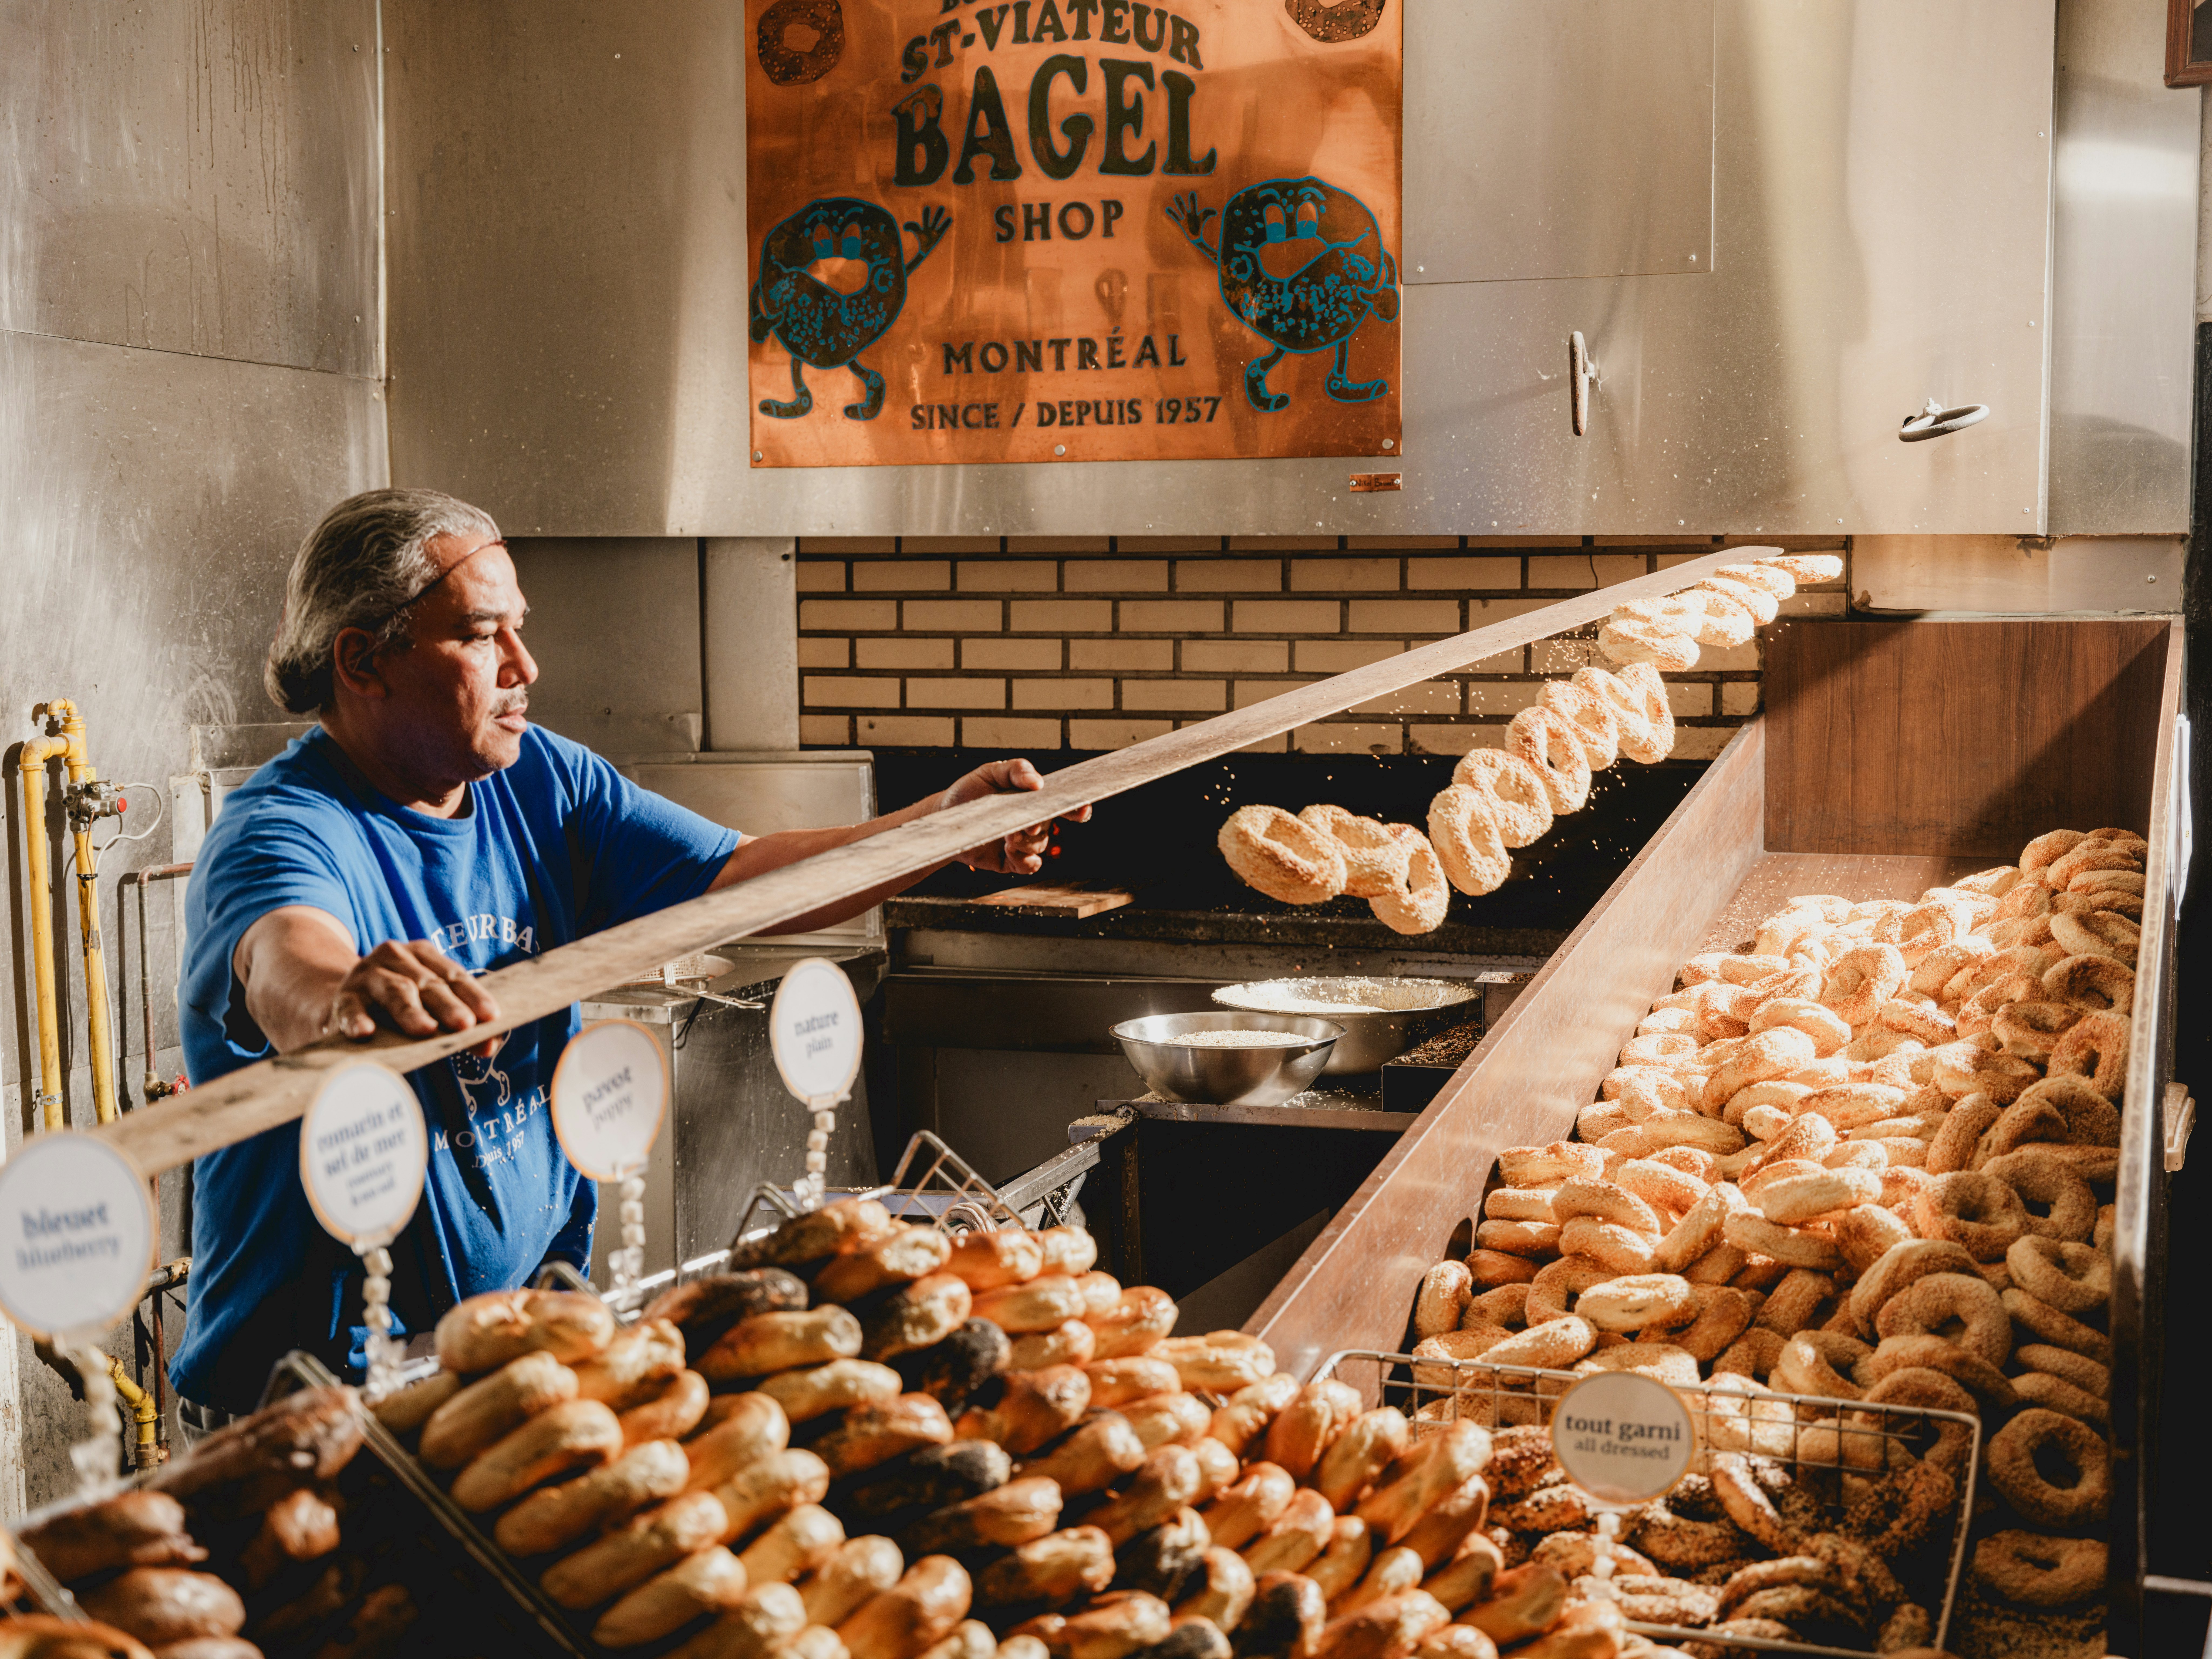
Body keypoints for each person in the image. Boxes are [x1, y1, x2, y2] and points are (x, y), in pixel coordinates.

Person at [171, 488, 1085, 1425]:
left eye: (520, 630)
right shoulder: (281, 832)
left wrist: (941, 830)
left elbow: (745, 879)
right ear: (363, 661)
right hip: (316, 1396)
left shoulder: (545, 782)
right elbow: (288, 967)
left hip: (509, 1350)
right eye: (483, 637)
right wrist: (345, 1000)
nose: (526, 667)